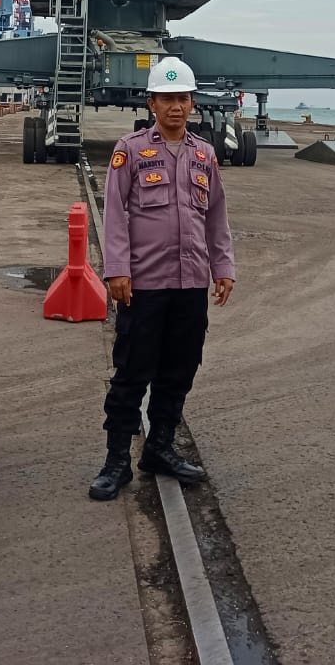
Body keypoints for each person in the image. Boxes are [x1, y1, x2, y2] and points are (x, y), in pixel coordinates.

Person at [89, 56, 235, 501]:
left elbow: (216, 216)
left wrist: (223, 267)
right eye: (167, 98)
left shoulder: (204, 153)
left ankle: (160, 448)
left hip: (190, 285)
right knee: (132, 373)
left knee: (179, 370)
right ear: (151, 103)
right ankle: (116, 461)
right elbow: (115, 213)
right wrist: (117, 269)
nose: (176, 106)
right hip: (144, 285)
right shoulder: (130, 150)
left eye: (183, 98)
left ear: (192, 103)